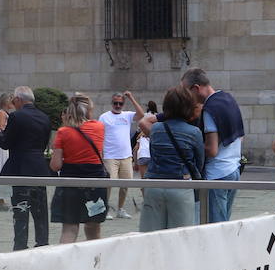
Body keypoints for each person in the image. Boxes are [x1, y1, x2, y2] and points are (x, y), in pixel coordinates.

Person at [0, 85, 52, 250]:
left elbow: (6, 143)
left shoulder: (16, 117)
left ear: (19, 100)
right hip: (39, 168)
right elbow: (43, 144)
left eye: (14, 100)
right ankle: (42, 244)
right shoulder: (45, 117)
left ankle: (20, 246)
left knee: (21, 212)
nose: (13, 103)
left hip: (20, 169)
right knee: (40, 212)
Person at [141, 85, 205, 232]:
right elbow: (199, 163)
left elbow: (153, 152)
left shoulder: (156, 129)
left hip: (154, 186)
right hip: (181, 186)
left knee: (151, 235)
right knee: (181, 236)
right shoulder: (194, 132)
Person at [184, 67, 244, 223]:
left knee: (215, 226)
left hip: (217, 175)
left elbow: (212, 150)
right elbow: (241, 136)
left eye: (186, 92)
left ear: (196, 88)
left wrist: (191, 145)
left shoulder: (210, 109)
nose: (186, 97)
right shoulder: (228, 98)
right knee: (224, 222)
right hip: (233, 170)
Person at [49, 94, 108, 244]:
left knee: (70, 229)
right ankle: (96, 265)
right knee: (93, 229)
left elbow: (56, 166)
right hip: (95, 184)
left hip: (70, 185)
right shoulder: (99, 127)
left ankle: (65, 265)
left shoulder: (63, 132)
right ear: (88, 111)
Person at [98, 91, 144, 219]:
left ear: (123, 104)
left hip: (126, 156)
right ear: (111, 103)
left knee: (126, 184)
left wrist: (131, 98)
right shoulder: (104, 117)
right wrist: (100, 154)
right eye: (115, 103)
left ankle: (120, 209)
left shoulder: (127, 115)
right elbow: (99, 135)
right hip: (109, 156)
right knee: (109, 184)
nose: (118, 105)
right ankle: (105, 209)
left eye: (120, 103)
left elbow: (141, 114)